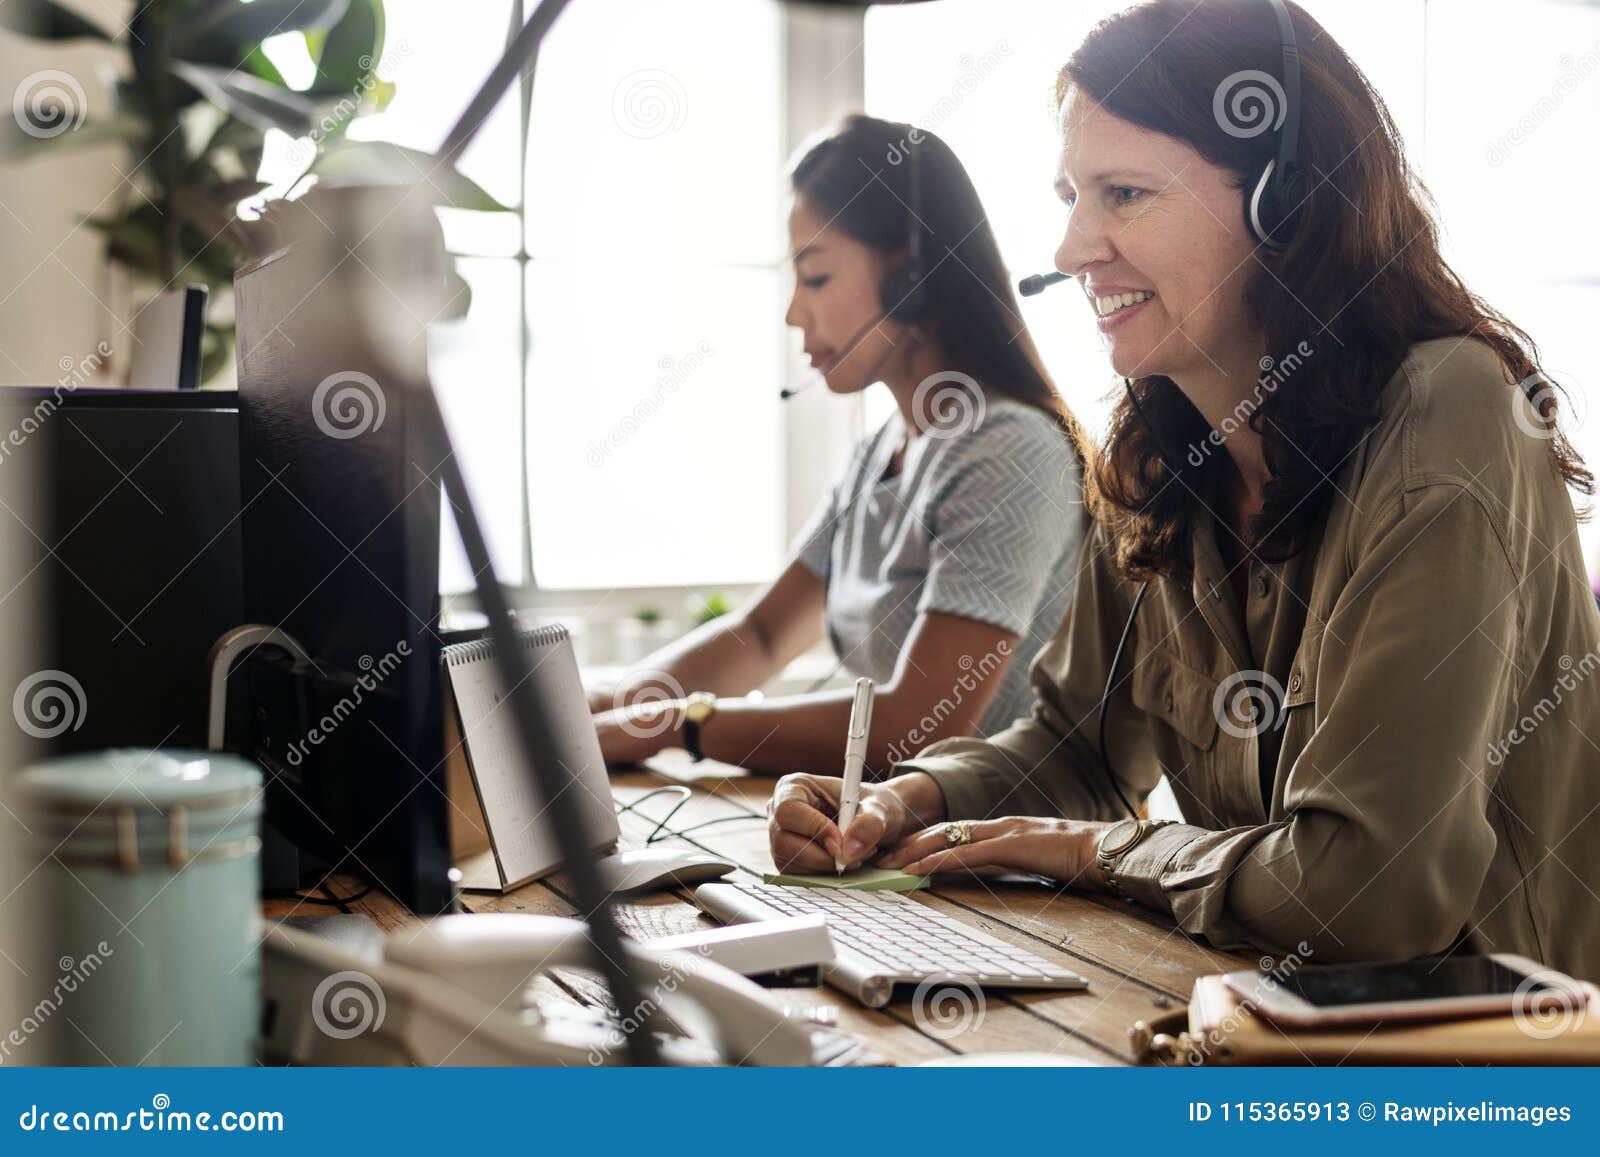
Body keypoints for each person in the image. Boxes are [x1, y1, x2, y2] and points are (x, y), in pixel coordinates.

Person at [768, 0, 1600, 979]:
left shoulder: (1450, 411)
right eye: (1070, 194)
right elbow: (1080, 748)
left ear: (1282, 202)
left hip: (1492, 1065)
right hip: (1259, 1022)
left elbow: (1370, 890)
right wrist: (906, 798)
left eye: (1123, 193)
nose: (1073, 247)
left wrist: (1093, 852)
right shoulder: (1165, 449)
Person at [588, 115, 1087, 777]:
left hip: (1002, 864)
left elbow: (912, 730)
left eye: (816, 278)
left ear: (910, 274)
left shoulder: (1008, 450)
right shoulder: (878, 454)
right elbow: (762, 634)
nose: (795, 313)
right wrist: (612, 705)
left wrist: (678, 726)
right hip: (888, 840)